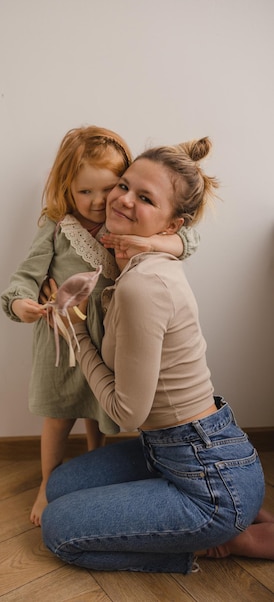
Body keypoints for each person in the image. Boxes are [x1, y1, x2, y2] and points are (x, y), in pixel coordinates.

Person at [41, 137, 274, 572]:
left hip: (206, 478)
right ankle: (234, 510)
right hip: (173, 450)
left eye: (144, 198)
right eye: (124, 185)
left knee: (58, 530)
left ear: (172, 226)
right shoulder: (144, 256)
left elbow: (127, 413)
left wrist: (77, 334)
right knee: (60, 485)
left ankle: (223, 536)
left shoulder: (141, 285)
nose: (122, 200)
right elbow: (183, 234)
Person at [1, 126, 200, 526]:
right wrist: (20, 303)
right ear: (67, 190)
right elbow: (26, 275)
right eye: (83, 192)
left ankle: (96, 462)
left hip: (107, 337)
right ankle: (47, 482)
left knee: (97, 410)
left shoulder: (126, 224)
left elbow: (189, 241)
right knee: (58, 416)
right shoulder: (57, 228)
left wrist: (153, 244)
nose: (97, 203)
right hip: (62, 338)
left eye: (107, 188)